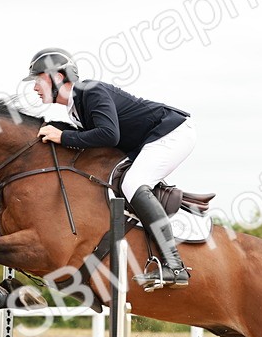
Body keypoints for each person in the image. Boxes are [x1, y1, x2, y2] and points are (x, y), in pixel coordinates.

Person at [26, 47, 196, 290]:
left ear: (58, 77)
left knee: (133, 183)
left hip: (172, 133)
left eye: (38, 79)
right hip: (149, 140)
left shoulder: (90, 91)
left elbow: (109, 134)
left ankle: (175, 267)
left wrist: (63, 137)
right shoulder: (76, 107)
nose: (34, 87)